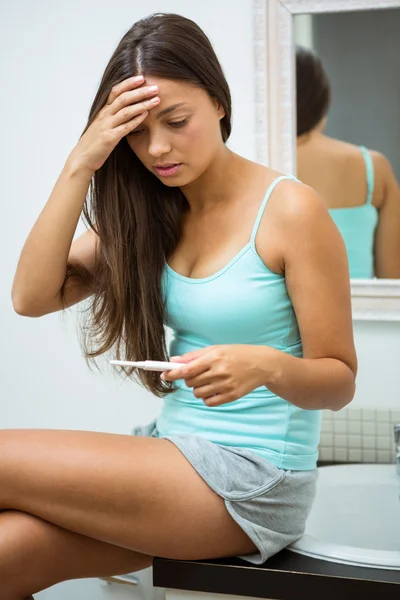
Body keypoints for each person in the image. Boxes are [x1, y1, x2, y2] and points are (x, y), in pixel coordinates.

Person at [7, 13, 357, 599]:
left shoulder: (292, 212)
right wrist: (79, 163)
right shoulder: (149, 213)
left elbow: (339, 382)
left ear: (219, 101)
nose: (157, 149)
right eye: (136, 134)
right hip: (171, 455)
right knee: (7, 556)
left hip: (253, 479)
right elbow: (31, 297)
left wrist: (265, 366)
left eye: (175, 121)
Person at [296, 45, 400, 279]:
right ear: (321, 98)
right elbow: (393, 283)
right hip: (359, 315)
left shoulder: (253, 166)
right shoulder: (373, 167)